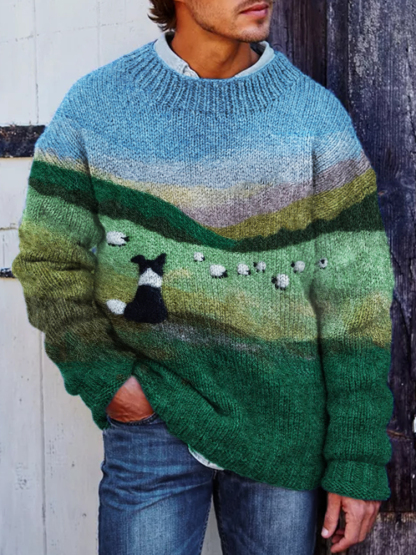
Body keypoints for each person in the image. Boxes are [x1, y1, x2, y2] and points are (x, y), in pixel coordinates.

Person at [11, 0, 395, 553]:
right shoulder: (98, 106)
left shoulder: (314, 117)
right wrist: (107, 379)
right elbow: (49, 259)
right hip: (152, 424)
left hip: (284, 432)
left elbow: (356, 303)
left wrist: (357, 460)